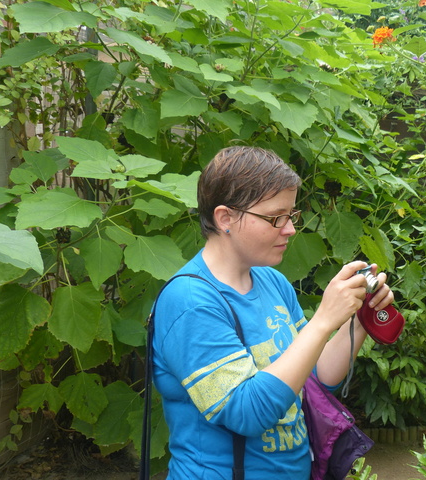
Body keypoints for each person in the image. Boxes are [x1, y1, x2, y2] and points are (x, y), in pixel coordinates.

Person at [152, 146, 395, 479]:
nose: (290, 229)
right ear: (225, 218)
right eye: (274, 218)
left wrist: (359, 317)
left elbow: (316, 377)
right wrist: (323, 320)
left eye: (291, 215)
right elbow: (247, 414)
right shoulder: (190, 302)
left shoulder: (270, 280)